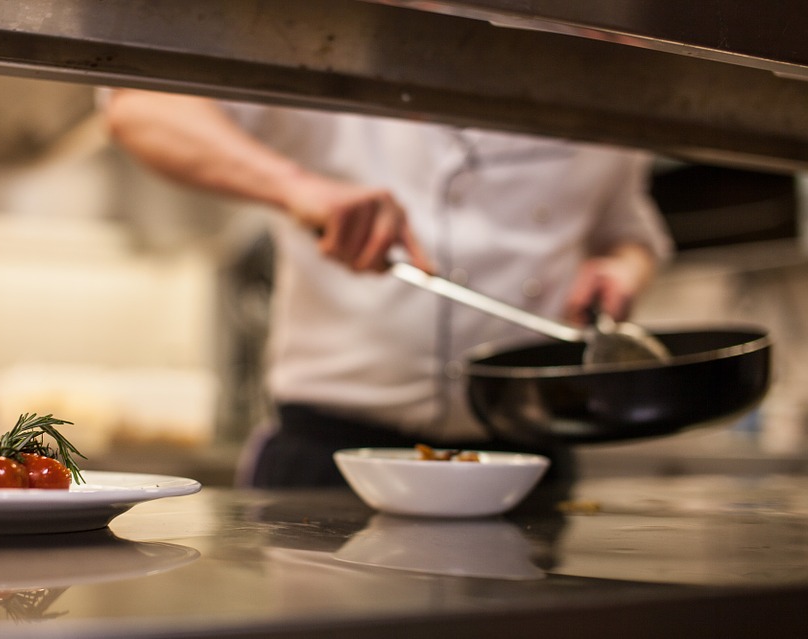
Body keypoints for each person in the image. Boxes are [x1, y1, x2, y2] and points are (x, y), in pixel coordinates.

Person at [104, 90, 673, 487]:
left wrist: (622, 268)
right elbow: (141, 107)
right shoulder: (338, 31)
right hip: (332, 457)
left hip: (529, 461)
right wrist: (297, 187)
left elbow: (628, 232)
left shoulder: (596, 69)